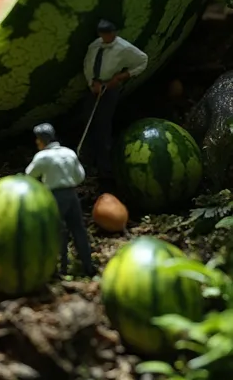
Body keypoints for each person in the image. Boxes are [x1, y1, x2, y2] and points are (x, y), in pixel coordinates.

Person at [81, 19, 148, 183]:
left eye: (108, 34)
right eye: (103, 34)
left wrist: (123, 76)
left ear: (114, 33)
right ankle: (86, 166)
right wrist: (92, 83)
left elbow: (143, 60)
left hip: (109, 89)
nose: (105, 37)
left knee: (103, 125)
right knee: (87, 122)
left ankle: (105, 169)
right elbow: (87, 64)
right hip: (95, 88)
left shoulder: (123, 48)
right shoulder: (95, 46)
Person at [26, 122, 95, 277]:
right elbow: (80, 176)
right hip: (72, 195)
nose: (36, 142)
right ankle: (88, 266)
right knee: (79, 230)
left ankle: (62, 268)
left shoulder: (42, 157)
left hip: (55, 197)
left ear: (42, 140)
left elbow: (29, 175)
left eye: (37, 139)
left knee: (58, 231)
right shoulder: (69, 153)